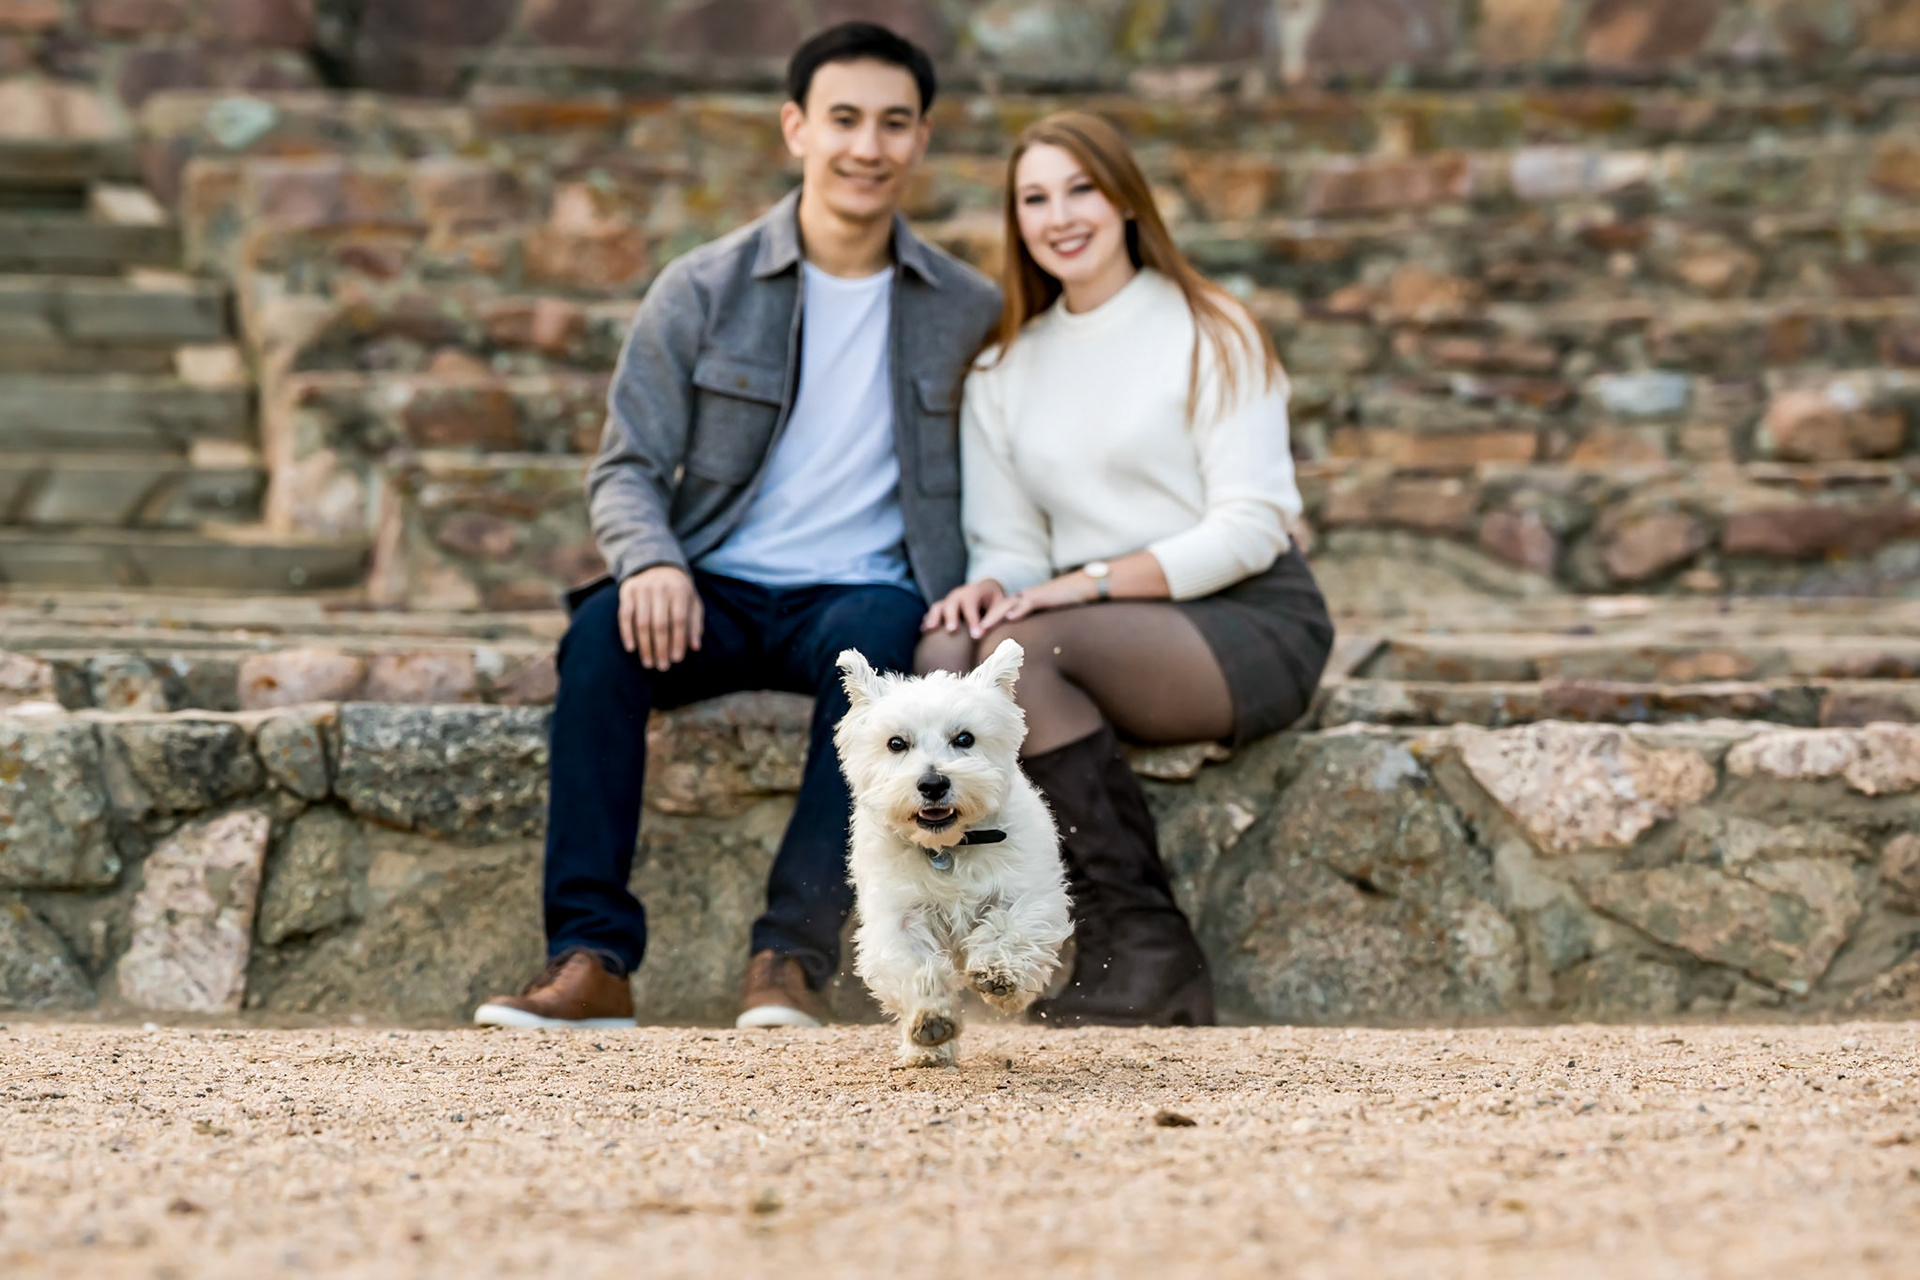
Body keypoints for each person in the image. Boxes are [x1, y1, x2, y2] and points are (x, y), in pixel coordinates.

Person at [475, 22, 1001, 1031]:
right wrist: (651, 561)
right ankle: (590, 955)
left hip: (861, 589)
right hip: (713, 583)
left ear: (922, 140)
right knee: (596, 642)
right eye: (843, 119)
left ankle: (786, 960)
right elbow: (627, 463)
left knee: (883, 650)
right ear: (796, 127)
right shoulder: (703, 286)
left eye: (894, 124)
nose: (867, 147)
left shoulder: (966, 306)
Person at [919, 112, 1335, 1027]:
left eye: (1081, 189)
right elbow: (1015, 540)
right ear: (1016, 219)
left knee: (1031, 650)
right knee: (952, 646)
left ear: (1126, 201)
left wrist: (1091, 582)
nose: (1060, 215)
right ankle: (961, 940)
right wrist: (996, 579)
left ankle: (1146, 945)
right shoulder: (1003, 367)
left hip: (1245, 620)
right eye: (1035, 197)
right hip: (1093, 622)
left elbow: (1256, 523)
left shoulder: (1211, 329)